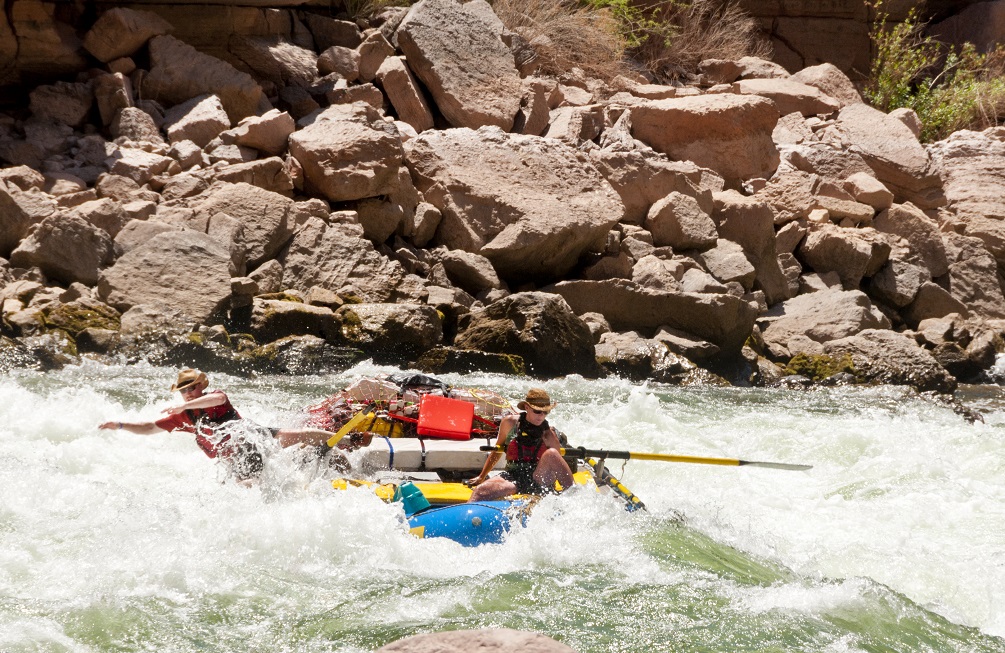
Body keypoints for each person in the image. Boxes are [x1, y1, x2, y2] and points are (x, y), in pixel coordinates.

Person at [99, 368, 342, 482]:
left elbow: (218, 399)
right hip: (232, 457)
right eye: (184, 391)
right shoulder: (181, 417)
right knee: (244, 484)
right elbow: (149, 428)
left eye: (192, 388)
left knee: (299, 435)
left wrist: (183, 407)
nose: (189, 393)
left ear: (201, 386)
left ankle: (348, 438)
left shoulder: (213, 397)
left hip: (250, 438)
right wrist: (119, 424)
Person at [465, 388, 574, 501]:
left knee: (552, 453)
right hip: (514, 476)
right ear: (527, 407)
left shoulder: (548, 434)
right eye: (537, 411)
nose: (541, 416)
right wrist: (482, 476)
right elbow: (497, 451)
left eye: (545, 412)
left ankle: (574, 495)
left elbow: (557, 464)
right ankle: (465, 516)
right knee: (480, 491)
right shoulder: (509, 423)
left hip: (539, 478)